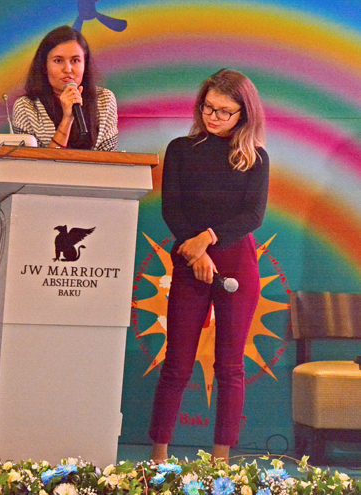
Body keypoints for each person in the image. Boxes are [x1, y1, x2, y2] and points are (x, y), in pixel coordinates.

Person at [148, 69, 269, 463]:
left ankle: (221, 463)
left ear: (244, 114)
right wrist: (196, 253)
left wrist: (208, 239)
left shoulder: (255, 158)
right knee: (177, 364)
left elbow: (253, 215)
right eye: (208, 107)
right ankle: (158, 459)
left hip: (237, 263)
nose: (214, 117)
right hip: (189, 260)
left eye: (224, 111)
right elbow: (172, 208)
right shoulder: (181, 149)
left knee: (230, 367)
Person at [12, 25, 118, 151]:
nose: (67, 69)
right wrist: (67, 119)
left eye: (75, 60)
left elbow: (110, 157)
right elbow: (29, 161)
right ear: (44, 66)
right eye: (58, 61)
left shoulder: (104, 100)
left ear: (85, 64)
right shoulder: (26, 107)